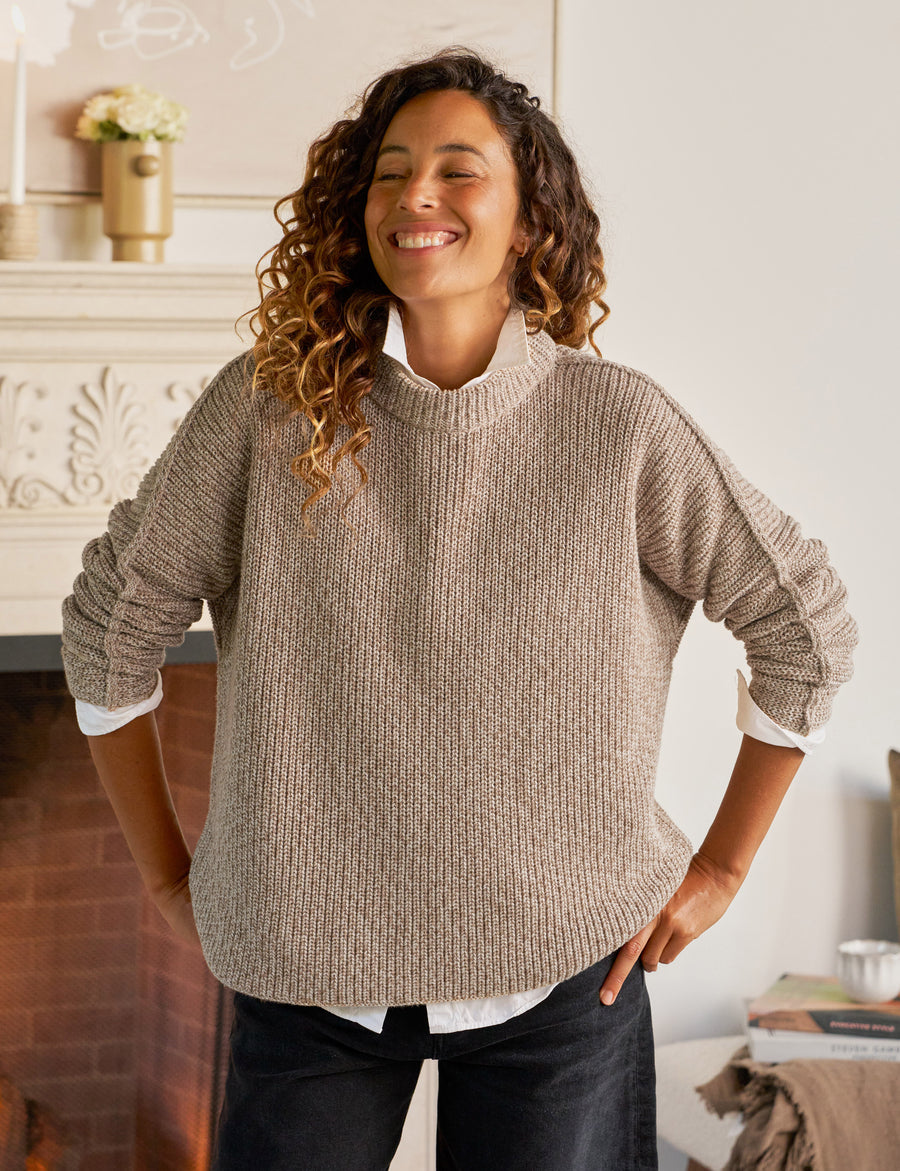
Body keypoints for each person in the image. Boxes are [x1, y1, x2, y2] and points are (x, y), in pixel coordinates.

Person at [60, 48, 858, 1171]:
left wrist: (722, 869)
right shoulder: (266, 410)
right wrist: (162, 875)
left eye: (456, 169)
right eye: (388, 173)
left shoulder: (618, 426)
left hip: (566, 988)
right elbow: (106, 632)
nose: (414, 197)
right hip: (306, 982)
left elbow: (808, 631)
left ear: (531, 220)